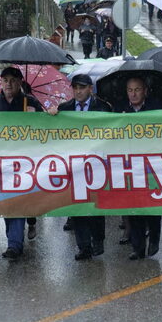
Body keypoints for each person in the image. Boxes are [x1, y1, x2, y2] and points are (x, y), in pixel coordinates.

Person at [0, 66, 45, 260]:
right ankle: (14, 240)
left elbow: (44, 129)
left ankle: (14, 244)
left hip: (25, 163)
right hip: (2, 164)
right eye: (5, 80)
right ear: (0, 82)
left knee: (18, 200)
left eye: (12, 80)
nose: (8, 84)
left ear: (19, 82)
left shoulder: (30, 102)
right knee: (9, 203)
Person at [50, 74, 112, 260]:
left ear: (90, 89)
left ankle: (98, 240)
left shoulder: (103, 107)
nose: (78, 91)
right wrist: (51, 116)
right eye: (75, 87)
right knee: (77, 207)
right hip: (73, 165)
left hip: (96, 165)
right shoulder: (64, 108)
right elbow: (53, 132)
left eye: (82, 87)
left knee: (94, 205)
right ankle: (83, 246)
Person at [116, 75, 162, 259]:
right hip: (129, 164)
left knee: (152, 206)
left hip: (152, 164)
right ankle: (137, 247)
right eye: (130, 90)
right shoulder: (120, 108)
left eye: (137, 90)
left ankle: (154, 239)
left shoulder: (156, 106)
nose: (133, 94)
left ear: (144, 90)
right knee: (133, 206)